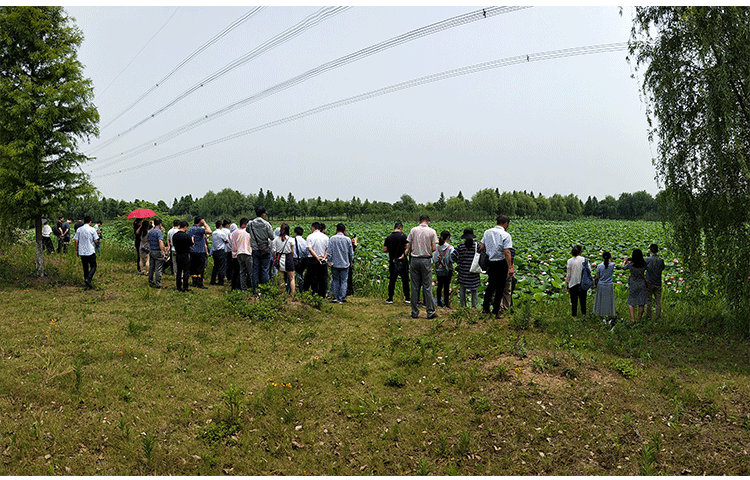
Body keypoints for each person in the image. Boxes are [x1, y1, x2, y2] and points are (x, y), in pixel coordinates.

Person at [405, 215, 439, 319]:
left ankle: (414, 312)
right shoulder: (432, 231)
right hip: (426, 260)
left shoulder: (413, 230)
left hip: (414, 259)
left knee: (415, 286)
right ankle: (430, 312)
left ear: (419, 221)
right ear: (428, 222)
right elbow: (434, 248)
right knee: (427, 286)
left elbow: (409, 245)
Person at [480, 215, 514, 318]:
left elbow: (482, 247)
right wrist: (509, 267)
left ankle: (485, 308)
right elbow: (507, 252)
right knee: (500, 288)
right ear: (506, 223)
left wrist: (491, 250)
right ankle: (496, 311)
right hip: (501, 262)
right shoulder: (506, 235)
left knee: (490, 286)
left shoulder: (487, 232)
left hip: (490, 262)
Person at [452, 228, 481, 308]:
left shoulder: (460, 246)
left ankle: (463, 307)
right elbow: (482, 256)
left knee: (462, 290)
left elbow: (453, 256)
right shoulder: (477, 246)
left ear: (464, 237)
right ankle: (474, 307)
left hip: (463, 272)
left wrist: (459, 263)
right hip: (474, 271)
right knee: (474, 290)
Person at [247, 206, 274, 294]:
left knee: (255, 269)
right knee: (265, 270)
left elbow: (247, 231)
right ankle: (265, 289)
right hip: (265, 249)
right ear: (263, 214)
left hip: (255, 249)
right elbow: (272, 237)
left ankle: (255, 289)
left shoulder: (250, 224)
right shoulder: (266, 224)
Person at [384, 222, 410, 304]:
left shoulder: (388, 237)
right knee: (405, 280)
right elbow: (408, 247)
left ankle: (390, 298)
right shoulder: (403, 236)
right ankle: (407, 298)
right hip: (402, 261)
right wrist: (404, 254)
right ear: (401, 228)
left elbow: (385, 250)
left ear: (394, 228)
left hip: (393, 260)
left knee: (392, 280)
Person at [327, 223, 353, 304]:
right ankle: (341, 298)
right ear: (344, 230)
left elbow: (329, 252)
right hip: (345, 263)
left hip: (334, 263)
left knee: (335, 280)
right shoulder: (348, 239)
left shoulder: (332, 239)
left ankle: (335, 297)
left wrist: (329, 261)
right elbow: (351, 253)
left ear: (336, 230)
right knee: (344, 281)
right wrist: (351, 261)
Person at [623, 248, 648, 323]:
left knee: (631, 302)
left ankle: (633, 320)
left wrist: (624, 261)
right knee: (641, 302)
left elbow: (623, 268)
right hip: (642, 284)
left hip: (633, 284)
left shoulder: (631, 265)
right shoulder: (644, 264)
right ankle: (639, 319)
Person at [73, 216, 99, 289]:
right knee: (93, 266)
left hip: (82, 251)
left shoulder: (79, 229)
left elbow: (76, 241)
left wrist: (76, 250)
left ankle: (86, 281)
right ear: (90, 222)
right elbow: (96, 240)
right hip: (90, 251)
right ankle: (89, 279)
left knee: (85, 267)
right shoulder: (92, 229)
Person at [305, 222, 329, 297]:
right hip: (323, 260)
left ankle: (314, 293)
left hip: (313, 260)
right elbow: (327, 249)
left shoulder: (310, 237)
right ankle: (322, 294)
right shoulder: (326, 237)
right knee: (323, 277)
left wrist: (316, 257)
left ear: (313, 228)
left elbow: (309, 248)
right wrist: (324, 258)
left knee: (313, 277)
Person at [433, 230, 454, 309]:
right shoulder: (450, 247)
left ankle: (439, 303)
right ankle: (446, 304)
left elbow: (434, 259)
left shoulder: (436, 247)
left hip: (439, 269)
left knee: (439, 285)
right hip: (448, 269)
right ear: (448, 238)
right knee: (446, 286)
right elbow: (452, 259)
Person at [188, 216, 211, 289]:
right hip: (200, 251)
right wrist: (205, 223)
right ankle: (199, 282)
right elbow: (209, 231)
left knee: (194, 267)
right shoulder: (199, 229)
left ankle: (194, 281)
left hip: (192, 251)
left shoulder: (190, 229)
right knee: (200, 268)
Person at [273, 223, 296, 294]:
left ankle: (281, 294)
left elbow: (274, 251)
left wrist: (275, 258)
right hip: (288, 258)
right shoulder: (291, 239)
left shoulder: (276, 240)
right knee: (292, 278)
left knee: (281, 278)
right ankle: (292, 294)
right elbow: (292, 251)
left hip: (280, 257)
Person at [565, 245, 588, 317]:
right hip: (583, 283)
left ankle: (574, 316)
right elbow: (589, 271)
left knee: (574, 302)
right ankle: (583, 315)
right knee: (583, 301)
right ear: (580, 252)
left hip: (573, 283)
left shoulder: (569, 261)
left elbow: (568, 275)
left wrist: (567, 283)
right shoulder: (584, 260)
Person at [593, 251, 616, 320]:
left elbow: (597, 277)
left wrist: (594, 284)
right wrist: (611, 257)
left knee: (601, 300)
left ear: (602, 257)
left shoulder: (599, 266)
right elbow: (613, 262)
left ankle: (601, 316)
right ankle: (608, 315)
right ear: (609, 257)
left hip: (601, 285)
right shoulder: (612, 265)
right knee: (608, 300)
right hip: (609, 285)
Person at [645, 243, 665, 321]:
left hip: (649, 283)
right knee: (658, 302)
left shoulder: (647, 260)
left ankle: (648, 318)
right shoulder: (661, 260)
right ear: (657, 251)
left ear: (650, 251)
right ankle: (658, 318)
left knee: (649, 301)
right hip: (658, 283)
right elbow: (662, 268)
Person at [172, 221, 194, 292]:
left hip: (178, 254)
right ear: (185, 227)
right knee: (186, 272)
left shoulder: (174, 236)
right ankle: (185, 287)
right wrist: (192, 240)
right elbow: (192, 245)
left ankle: (178, 286)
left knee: (179, 271)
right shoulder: (186, 236)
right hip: (185, 254)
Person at [232, 217, 253, 292]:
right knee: (251, 272)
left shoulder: (239, 232)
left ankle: (243, 289)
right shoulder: (250, 232)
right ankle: (254, 288)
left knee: (242, 272)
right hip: (247, 253)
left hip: (239, 253)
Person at [147, 218, 168, 289]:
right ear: (160, 224)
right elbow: (160, 242)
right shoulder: (158, 232)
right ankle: (158, 283)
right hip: (157, 250)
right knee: (158, 268)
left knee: (151, 267)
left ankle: (150, 281)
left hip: (151, 250)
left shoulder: (150, 231)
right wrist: (164, 251)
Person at [209, 220, 229, 286]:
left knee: (215, 266)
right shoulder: (222, 233)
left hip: (215, 251)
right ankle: (220, 281)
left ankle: (213, 280)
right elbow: (227, 240)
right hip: (221, 250)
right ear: (221, 226)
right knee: (221, 267)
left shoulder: (214, 233)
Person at [499, 247, 517, 316]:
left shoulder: (499, 251)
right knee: (508, 295)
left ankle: (503, 312)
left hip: (504, 275)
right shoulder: (512, 250)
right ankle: (509, 312)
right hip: (510, 276)